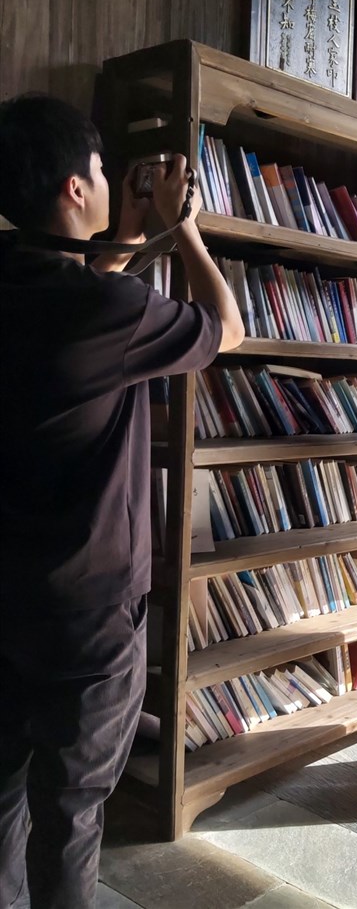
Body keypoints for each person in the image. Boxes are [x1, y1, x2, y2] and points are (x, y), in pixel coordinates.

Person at [0, 94, 244, 909]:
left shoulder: (39, 287)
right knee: (70, 814)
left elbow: (75, 309)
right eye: (102, 170)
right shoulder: (105, 311)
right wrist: (184, 229)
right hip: (89, 610)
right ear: (75, 190)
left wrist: (129, 239)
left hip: (7, 592)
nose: (110, 181)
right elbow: (224, 327)